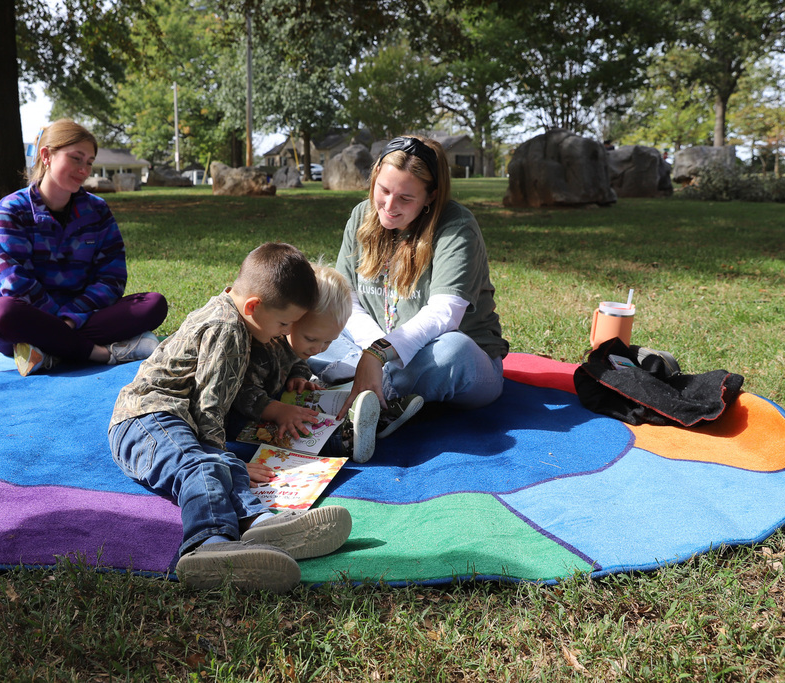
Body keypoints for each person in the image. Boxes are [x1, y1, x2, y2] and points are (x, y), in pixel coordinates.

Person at [108, 242, 353, 593]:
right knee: (205, 465)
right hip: (145, 418)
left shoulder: (242, 318)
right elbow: (210, 407)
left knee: (222, 464)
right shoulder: (227, 329)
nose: (285, 332)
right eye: (284, 323)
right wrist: (222, 456)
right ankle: (206, 545)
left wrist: (228, 460)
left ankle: (259, 523)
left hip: (175, 420)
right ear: (254, 306)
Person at [308, 135, 509, 451]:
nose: (389, 206)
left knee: (454, 351)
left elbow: (444, 315)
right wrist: (373, 352)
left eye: (405, 198)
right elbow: (347, 300)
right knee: (303, 328)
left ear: (431, 196)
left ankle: (353, 396)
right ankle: (380, 398)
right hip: (372, 350)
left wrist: (378, 354)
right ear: (374, 178)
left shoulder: (456, 226)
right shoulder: (361, 216)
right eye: (384, 190)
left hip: (442, 359)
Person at [0, 119, 168, 377]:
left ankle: (47, 352)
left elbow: (112, 278)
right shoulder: (11, 210)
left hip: (83, 316)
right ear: (46, 156)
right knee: (1, 314)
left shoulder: (98, 210)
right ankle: (101, 353)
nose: (84, 169)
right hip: (29, 318)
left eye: (90, 162)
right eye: (76, 158)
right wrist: (57, 322)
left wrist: (70, 319)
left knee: (152, 304)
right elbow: (15, 282)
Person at [231, 262, 382, 466]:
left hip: (276, 399)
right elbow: (242, 392)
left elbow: (297, 361)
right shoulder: (263, 346)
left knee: (312, 407)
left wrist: (299, 376)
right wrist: (278, 411)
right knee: (290, 429)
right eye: (311, 339)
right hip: (242, 414)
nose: (319, 349)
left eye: (329, 341)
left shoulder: (296, 340)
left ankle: (375, 416)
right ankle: (342, 441)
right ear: (292, 320)